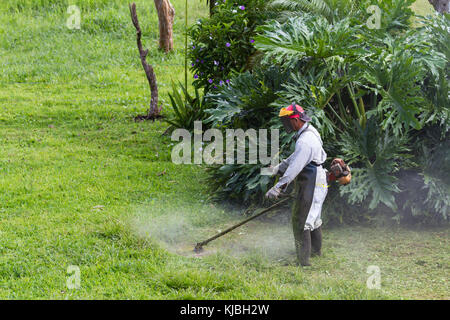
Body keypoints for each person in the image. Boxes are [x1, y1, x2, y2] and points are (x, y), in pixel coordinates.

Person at [265, 103, 349, 266]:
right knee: (313, 217)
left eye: (287, 121)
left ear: (296, 120)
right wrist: (277, 169)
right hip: (316, 179)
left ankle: (303, 261)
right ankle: (315, 251)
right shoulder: (309, 132)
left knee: (301, 220)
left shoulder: (305, 141)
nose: (286, 125)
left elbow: (295, 167)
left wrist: (278, 187)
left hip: (313, 181)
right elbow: (295, 158)